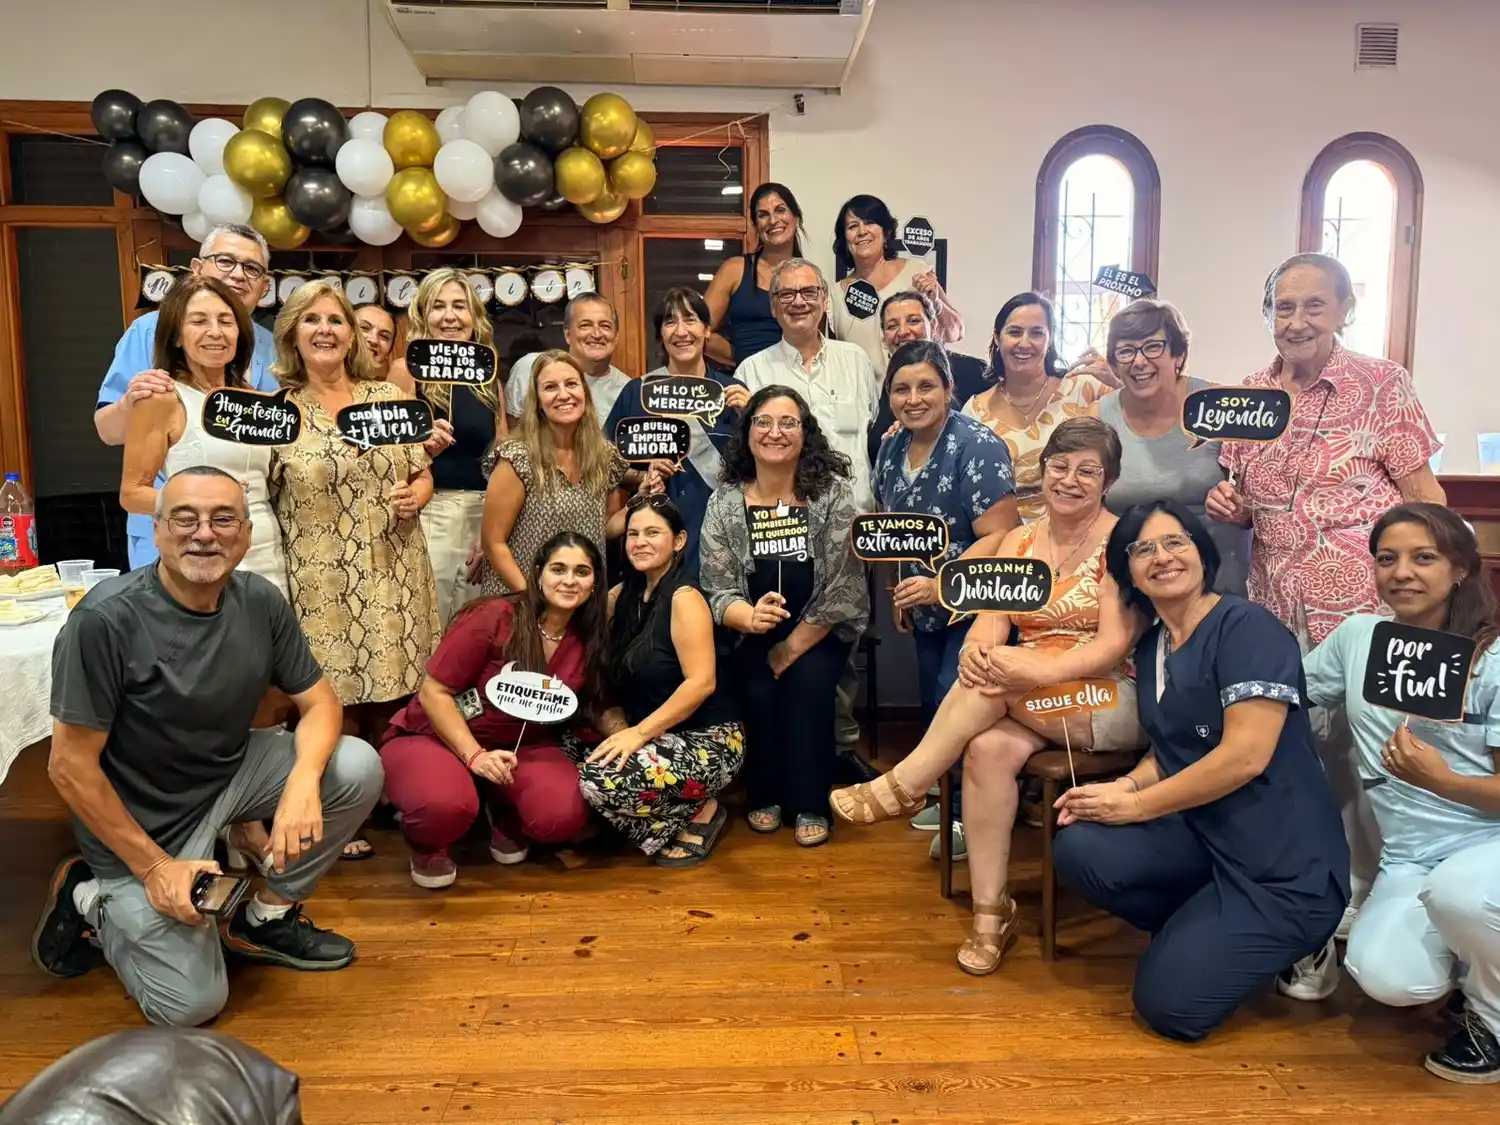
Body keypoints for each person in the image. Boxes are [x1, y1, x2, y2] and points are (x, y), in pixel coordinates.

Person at [32, 466, 383, 1027]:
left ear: (245, 533)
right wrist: (152, 869)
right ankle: (91, 899)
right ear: (158, 529)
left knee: (354, 765)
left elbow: (320, 704)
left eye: (223, 519)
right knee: (191, 1006)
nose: (204, 535)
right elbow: (69, 769)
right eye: (185, 519)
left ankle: (267, 917)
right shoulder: (103, 619)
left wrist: (300, 785)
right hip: (144, 822)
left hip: (226, 775)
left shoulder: (259, 600)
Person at [832, 417, 1145, 973]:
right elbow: (993, 620)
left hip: (1104, 696)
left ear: (1109, 480)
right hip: (1025, 692)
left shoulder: (1122, 542)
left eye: (1087, 471)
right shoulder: (1019, 540)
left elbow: (1111, 645)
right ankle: (990, 915)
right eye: (1059, 466)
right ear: (1042, 471)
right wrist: (978, 649)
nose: (1069, 480)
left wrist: (1028, 671)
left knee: (992, 687)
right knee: (984, 749)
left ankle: (909, 782)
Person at [1206, 252, 1445, 943]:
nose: (1298, 320)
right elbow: (1246, 500)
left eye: (1315, 305)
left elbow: (1427, 499)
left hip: (1371, 608)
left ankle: (1404, 915)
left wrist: (1444, 606)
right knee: (1301, 760)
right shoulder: (1249, 394)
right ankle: (1319, 909)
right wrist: (1232, 502)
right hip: (1277, 605)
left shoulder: (1381, 385)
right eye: (1284, 306)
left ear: (1345, 310)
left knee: (1381, 758)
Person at [1047, 500, 1349, 1043]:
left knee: (1170, 1008)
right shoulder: (1154, 643)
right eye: (1142, 550)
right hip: (1205, 837)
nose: (1161, 557)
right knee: (1082, 848)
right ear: (1129, 574)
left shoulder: (1245, 627)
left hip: (1278, 864)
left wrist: (1136, 807)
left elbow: (1245, 755)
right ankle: (1206, 932)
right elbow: (1172, 745)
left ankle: (1299, 942)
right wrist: (1126, 785)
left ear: (1202, 551)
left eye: (1175, 542)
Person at [1304, 503, 1500, 1083]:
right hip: (1408, 857)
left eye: (1424, 557)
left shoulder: (1492, 658)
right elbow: (1288, 692)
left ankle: (1491, 1021)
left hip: (1487, 844)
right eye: (1386, 559)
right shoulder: (1360, 637)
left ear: (1460, 568)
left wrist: (1445, 781)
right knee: (1386, 975)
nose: (1402, 573)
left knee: (1460, 893)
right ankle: (1475, 974)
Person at [379, 533, 607, 888]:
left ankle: (503, 807)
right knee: (443, 806)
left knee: (563, 814)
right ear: (537, 575)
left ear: (595, 584)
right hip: (437, 737)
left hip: (523, 747)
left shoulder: (588, 637)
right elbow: (434, 692)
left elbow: (591, 705)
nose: (569, 580)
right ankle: (429, 844)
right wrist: (475, 757)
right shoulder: (494, 616)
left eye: (582, 572)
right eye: (558, 569)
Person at [268, 280, 440, 745]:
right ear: (292, 334)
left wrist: (416, 497)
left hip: (396, 572)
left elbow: (423, 475)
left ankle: (399, 795)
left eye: (335, 320)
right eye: (311, 319)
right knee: (332, 711)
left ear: (351, 335)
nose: (325, 330)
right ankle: (346, 805)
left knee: (399, 708)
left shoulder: (388, 397)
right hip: (322, 587)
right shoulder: (280, 412)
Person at [700, 386, 868, 847]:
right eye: (764, 422)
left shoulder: (832, 495)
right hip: (751, 627)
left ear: (804, 432)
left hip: (819, 629)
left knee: (808, 684)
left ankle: (811, 801)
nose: (775, 433)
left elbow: (845, 585)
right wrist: (748, 618)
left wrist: (789, 648)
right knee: (756, 686)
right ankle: (765, 793)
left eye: (788, 423)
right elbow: (716, 586)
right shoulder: (726, 501)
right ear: (748, 431)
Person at [872, 340, 1018, 858]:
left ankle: (966, 817)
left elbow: (1002, 534)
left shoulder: (975, 445)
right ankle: (948, 793)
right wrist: (901, 591)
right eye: (902, 388)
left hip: (974, 603)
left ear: (950, 389)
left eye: (926, 386)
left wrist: (941, 583)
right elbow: (895, 528)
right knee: (935, 703)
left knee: (958, 701)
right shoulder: (892, 446)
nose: (914, 399)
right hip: (921, 602)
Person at [734, 258, 879, 756]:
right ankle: (783, 757)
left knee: (840, 643)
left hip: (849, 527)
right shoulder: (753, 370)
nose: (798, 301)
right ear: (773, 306)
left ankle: (837, 750)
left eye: (808, 292)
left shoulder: (856, 361)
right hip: (778, 529)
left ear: (824, 299)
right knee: (777, 637)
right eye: (786, 294)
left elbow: (873, 431)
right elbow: (744, 451)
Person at [96, 223, 277, 570]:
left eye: (251, 268)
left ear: (264, 286)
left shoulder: (272, 347)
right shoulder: (149, 331)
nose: (237, 275)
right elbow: (107, 431)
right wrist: (130, 404)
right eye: (224, 261)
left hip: (259, 542)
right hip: (173, 537)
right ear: (196, 269)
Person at [591, 496, 745, 865]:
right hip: (653, 734)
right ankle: (670, 814)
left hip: (708, 739)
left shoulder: (685, 597)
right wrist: (618, 727)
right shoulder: (621, 595)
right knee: (567, 752)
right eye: (633, 534)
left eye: (653, 532)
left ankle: (701, 812)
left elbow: (701, 683)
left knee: (594, 783)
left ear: (678, 540)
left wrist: (637, 734)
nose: (639, 542)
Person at [119, 276, 287, 596]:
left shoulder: (250, 397)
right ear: (177, 336)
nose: (215, 332)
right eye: (198, 321)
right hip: (205, 557)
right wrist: (206, 504)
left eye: (226, 321)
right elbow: (131, 493)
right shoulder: (162, 398)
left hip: (268, 555)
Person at [1092, 299, 1248, 595]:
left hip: (1217, 587)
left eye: (1153, 346)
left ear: (1179, 353)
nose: (1139, 361)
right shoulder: (1097, 418)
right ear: (1113, 364)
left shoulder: (1219, 405)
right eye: (1125, 351)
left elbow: (1255, 498)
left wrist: (1238, 507)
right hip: (1134, 589)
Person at [387, 269, 505, 625]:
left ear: (474, 316)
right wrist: (419, 446)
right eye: (438, 307)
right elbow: (385, 457)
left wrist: (494, 532)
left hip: (482, 513)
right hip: (429, 511)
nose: (450, 317)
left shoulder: (489, 376)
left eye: (460, 306)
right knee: (425, 619)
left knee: (474, 624)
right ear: (423, 314)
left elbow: (502, 456)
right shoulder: (404, 370)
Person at [606, 288, 749, 571]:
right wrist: (642, 476)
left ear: (707, 330)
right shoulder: (637, 392)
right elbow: (605, 464)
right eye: (670, 322)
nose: (681, 331)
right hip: (654, 536)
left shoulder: (734, 393)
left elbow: (760, 469)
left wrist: (753, 417)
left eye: (691, 319)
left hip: (719, 535)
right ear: (660, 335)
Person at [481, 351, 633, 596]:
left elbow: (602, 527)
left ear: (584, 391)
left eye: (571, 384)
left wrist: (639, 502)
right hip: (521, 604)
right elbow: (493, 544)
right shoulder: (518, 457)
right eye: (550, 387)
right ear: (537, 401)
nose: (564, 395)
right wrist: (536, 600)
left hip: (580, 602)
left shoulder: (602, 454)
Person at [964, 292, 1112, 523]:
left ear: (1050, 338)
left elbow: (1143, 423)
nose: (1025, 343)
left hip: (1083, 530)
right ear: (996, 337)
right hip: (1006, 540)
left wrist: (1118, 381)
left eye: (1037, 333)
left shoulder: (1085, 389)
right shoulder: (974, 411)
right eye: (1014, 332)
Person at [827, 193, 964, 374]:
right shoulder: (835, 295)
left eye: (869, 222)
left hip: (915, 392)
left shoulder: (916, 272)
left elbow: (955, 332)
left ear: (886, 232)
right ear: (845, 240)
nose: (862, 231)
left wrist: (936, 303)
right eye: (853, 226)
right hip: (863, 398)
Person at [870, 289, 992, 452]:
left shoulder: (973, 371)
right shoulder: (891, 381)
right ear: (884, 337)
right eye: (892, 325)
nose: (903, 331)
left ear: (933, 326)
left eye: (913, 321)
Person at [703, 182, 805, 369]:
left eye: (780, 210)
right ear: (756, 226)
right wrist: (746, 360)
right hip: (747, 385)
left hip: (795, 382)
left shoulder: (809, 276)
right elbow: (701, 332)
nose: (773, 220)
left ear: (796, 217)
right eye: (763, 215)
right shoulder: (735, 269)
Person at [505, 293, 630, 428]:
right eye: (585, 325)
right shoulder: (530, 368)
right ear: (567, 334)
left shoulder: (627, 391)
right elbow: (512, 434)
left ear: (616, 336)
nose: (596, 334)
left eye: (605, 326)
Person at [355, 304, 397, 382]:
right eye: (364, 328)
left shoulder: (392, 393)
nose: (374, 340)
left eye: (384, 336)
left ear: (388, 353)